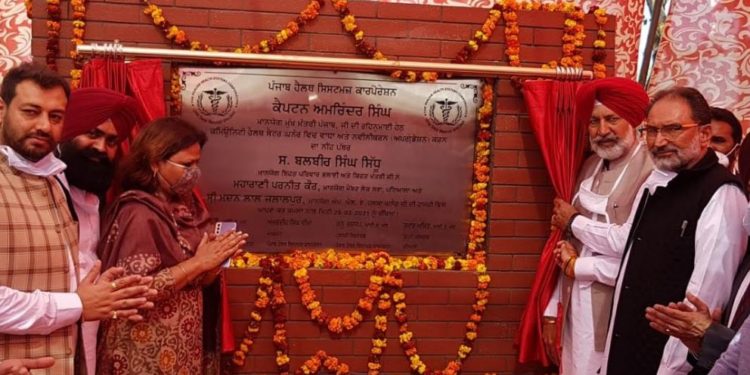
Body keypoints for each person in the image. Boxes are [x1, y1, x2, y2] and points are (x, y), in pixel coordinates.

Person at [0, 63, 155, 374]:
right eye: (31, 112)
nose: (44, 125)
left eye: (55, 117)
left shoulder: (54, 181)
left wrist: (115, 297)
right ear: (2, 109)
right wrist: (78, 304)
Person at [601, 87, 748, 375]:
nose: (659, 141)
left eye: (673, 129)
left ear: (704, 135)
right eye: (651, 130)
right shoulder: (657, 182)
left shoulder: (721, 193)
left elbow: (702, 301)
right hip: (628, 345)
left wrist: (672, 370)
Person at [96, 117, 248, 375]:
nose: (194, 172)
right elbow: (132, 291)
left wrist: (215, 262)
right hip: (142, 350)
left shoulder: (187, 208)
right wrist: (199, 262)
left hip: (184, 344)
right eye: (186, 164)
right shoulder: (137, 213)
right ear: (155, 162)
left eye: (197, 163)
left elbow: (194, 281)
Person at [543, 77, 653, 374]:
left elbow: (631, 247)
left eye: (612, 119)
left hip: (617, 305)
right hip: (574, 301)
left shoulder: (653, 171)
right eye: (594, 121)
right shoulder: (589, 165)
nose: (602, 131)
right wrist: (552, 311)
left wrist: (574, 225)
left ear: (632, 119)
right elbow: (568, 248)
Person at [56, 87, 142, 375]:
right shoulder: (42, 188)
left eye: (111, 141)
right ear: (68, 131)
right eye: (92, 134)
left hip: (87, 325)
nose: (101, 148)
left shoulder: (94, 197)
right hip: (40, 333)